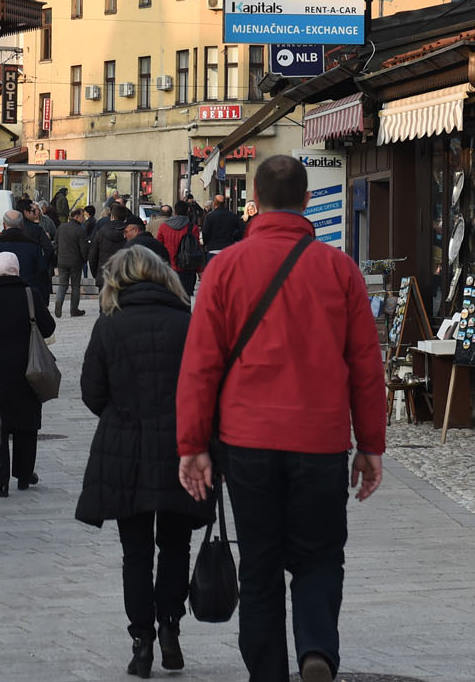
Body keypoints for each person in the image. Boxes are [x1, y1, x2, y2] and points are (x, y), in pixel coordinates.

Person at [177, 155, 385, 682]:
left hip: (247, 440)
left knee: (261, 563)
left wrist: (192, 445)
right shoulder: (339, 269)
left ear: (254, 201)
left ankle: (266, 671)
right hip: (319, 439)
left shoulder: (223, 269)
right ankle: (315, 648)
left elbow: (201, 363)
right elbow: (365, 363)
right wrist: (371, 445)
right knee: (318, 556)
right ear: (306, 200)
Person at [75, 247, 212, 678]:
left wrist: (121, 416)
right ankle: (170, 625)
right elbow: (209, 386)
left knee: (134, 553)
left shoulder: (109, 325)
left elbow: (92, 391)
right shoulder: (187, 322)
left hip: (126, 450)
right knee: (175, 543)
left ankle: (141, 640)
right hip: (181, 447)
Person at [0, 252, 54, 497]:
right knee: (27, 424)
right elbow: (48, 327)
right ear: (16, 269)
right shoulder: (30, 295)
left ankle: (1, 480)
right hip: (28, 368)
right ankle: (24, 474)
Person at [0, 209, 48, 300]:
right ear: (22, 225)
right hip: (27, 294)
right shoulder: (33, 245)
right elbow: (42, 273)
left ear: (4, 225)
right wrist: (43, 298)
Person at [155, 201, 202, 297]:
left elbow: (158, 246)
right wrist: (199, 269)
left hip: (168, 268)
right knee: (186, 297)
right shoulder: (193, 228)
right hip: (187, 268)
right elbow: (197, 248)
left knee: (170, 298)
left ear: (175, 212)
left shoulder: (164, 227)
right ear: (187, 212)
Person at [54, 207, 91, 318]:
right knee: (75, 286)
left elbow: (55, 243)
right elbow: (84, 248)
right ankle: (74, 310)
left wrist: (57, 256)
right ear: (76, 217)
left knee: (62, 284)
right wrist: (84, 260)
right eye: (82, 216)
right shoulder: (80, 230)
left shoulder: (61, 228)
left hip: (62, 261)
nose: (84, 218)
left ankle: (59, 301)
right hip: (75, 262)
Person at [89, 204, 131, 288]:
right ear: (125, 218)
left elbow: (93, 256)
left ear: (112, 217)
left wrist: (96, 274)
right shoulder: (129, 233)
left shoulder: (101, 232)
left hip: (104, 275)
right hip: (123, 277)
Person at [201, 194, 244, 264]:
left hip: (213, 249)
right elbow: (241, 231)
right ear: (225, 204)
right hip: (229, 248)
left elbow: (205, 233)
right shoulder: (233, 216)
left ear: (215, 204)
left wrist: (207, 244)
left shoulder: (210, 217)